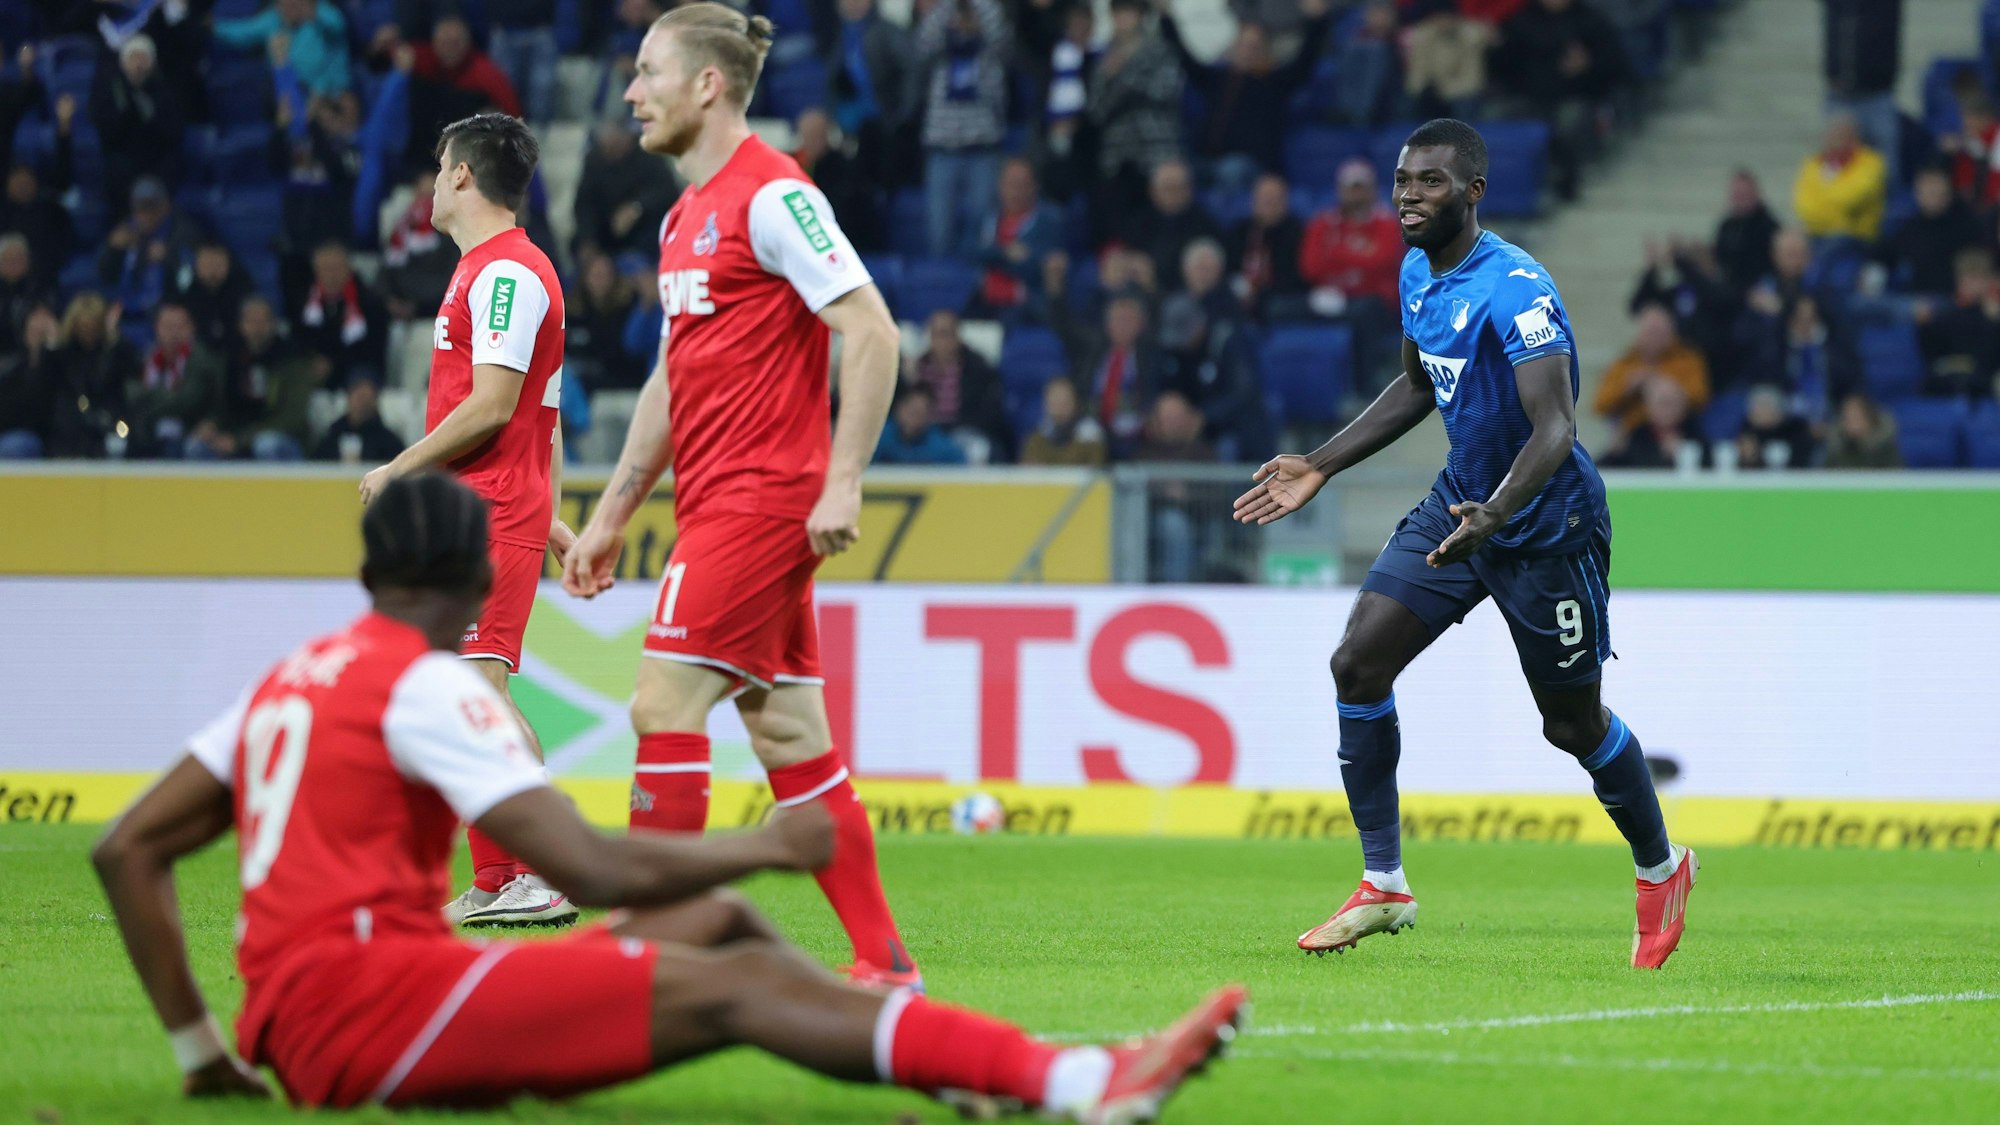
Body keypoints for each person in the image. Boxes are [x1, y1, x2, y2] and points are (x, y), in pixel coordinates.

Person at [90, 472, 1246, 1115]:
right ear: (482, 572)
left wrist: (203, 1052)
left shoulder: (293, 677)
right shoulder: (435, 687)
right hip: (380, 1012)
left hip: (314, 1011)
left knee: (721, 935)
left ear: (368, 573)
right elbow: (591, 871)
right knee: (733, 986)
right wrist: (769, 841)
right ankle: (1077, 1080)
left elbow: (125, 850)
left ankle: (943, 1067)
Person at [1232, 119, 1697, 968]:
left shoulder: (1518, 288)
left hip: (1546, 521)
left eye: (1431, 182)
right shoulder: (1416, 271)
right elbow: (1419, 385)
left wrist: (1499, 514)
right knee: (1357, 663)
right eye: (1404, 179)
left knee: (1570, 723)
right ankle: (1385, 883)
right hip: (1462, 504)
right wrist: (1321, 464)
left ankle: (1661, 867)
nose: (1410, 193)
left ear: (1474, 192)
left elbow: (1556, 425)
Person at [564, 3, 921, 990]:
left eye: (646, 72)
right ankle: (883, 961)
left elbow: (873, 331)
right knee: (787, 733)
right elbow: (668, 382)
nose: (630, 92)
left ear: (706, 85)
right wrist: (608, 515)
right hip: (718, 503)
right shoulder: (683, 216)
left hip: (763, 503)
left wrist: (843, 477)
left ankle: (651, 952)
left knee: (660, 703)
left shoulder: (773, 195)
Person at [358, 113, 578, 927]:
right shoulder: (495, 272)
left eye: (438, 164)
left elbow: (493, 406)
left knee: (477, 688)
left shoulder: (509, 274)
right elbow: (543, 415)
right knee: (462, 688)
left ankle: (540, 869)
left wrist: (398, 467)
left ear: (461, 176)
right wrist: (551, 520)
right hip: (487, 510)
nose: (430, 182)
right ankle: (498, 879)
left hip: (486, 509)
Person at [1155, 0, 1331, 183]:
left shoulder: (1276, 82)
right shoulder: (1217, 78)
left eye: (1254, 46)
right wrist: (1166, 16)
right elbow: (1185, 57)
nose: (1247, 51)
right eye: (1243, 44)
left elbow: (1307, 58)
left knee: (1231, 170)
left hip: (1249, 164)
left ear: (1264, 50)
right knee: (1172, 172)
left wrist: (1318, 19)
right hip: (1205, 158)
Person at [916, 0, 1011, 258]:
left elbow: (1002, 43)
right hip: (942, 144)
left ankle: (979, 289)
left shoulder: (989, 9)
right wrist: (951, 12)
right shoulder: (941, 11)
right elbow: (923, 46)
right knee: (939, 230)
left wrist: (974, 15)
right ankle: (944, 289)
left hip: (983, 144)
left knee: (982, 228)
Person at [969, 157, 1065, 322]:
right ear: (1000, 185)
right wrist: (1004, 253)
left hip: (1024, 304)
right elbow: (967, 250)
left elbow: (1041, 265)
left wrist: (990, 258)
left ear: (1034, 187)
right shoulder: (985, 217)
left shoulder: (1049, 221)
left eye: (1022, 184)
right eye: (1011, 183)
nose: (1015, 190)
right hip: (984, 299)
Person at [1592, 303, 1711, 437]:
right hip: (1633, 434)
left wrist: (1664, 386)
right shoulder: (1625, 363)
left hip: (1679, 431)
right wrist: (1628, 387)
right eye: (1651, 333)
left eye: (1661, 333)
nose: (1655, 339)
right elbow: (1600, 405)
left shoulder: (1687, 359)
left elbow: (1700, 396)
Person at [129, 301, 226, 459]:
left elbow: (185, 401)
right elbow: (131, 393)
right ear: (157, 329)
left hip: (193, 427)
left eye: (180, 326)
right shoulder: (149, 359)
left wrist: (148, 399)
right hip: (152, 429)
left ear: (191, 328)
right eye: (167, 327)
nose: (174, 333)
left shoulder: (201, 360)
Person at [913, 308, 1012, 458]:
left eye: (945, 334)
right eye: (935, 334)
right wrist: (908, 380)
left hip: (964, 433)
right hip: (923, 434)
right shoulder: (917, 368)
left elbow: (989, 412)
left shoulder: (979, 369)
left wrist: (954, 428)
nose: (940, 341)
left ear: (957, 337)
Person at [1792, 111, 1887, 242]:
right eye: (1833, 134)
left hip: (1856, 237)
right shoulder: (1812, 165)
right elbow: (1803, 205)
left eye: (1843, 135)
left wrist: (1823, 202)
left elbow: (1852, 199)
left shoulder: (1871, 162)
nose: (1837, 139)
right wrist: (1835, 216)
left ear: (1854, 137)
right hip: (1816, 234)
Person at [1228, 173, 1306, 319]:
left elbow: (1296, 277)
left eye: (1274, 198)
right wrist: (1237, 283)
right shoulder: (1240, 230)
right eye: (1264, 198)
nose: (1269, 203)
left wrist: (1258, 291)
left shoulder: (1297, 232)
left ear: (1285, 201)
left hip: (1279, 298)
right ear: (1253, 201)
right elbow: (1229, 265)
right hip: (1239, 296)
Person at [312, 377, 406, 462]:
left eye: (367, 398)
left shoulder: (388, 441)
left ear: (375, 401)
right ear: (349, 398)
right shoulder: (333, 434)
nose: (362, 404)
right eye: (359, 397)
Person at [1021, 375, 1108, 465]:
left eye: (1064, 401)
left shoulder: (1090, 436)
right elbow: (1028, 470)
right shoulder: (1037, 438)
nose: (1059, 407)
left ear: (1075, 402)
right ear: (1046, 404)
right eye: (1054, 401)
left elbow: (1094, 470)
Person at [873, 383, 968, 464]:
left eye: (919, 413)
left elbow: (961, 471)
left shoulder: (941, 447)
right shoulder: (878, 437)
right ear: (898, 408)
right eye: (911, 410)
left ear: (930, 416)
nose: (913, 418)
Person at [1823, 392, 1903, 468]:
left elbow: (1897, 478)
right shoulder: (1836, 451)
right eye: (1847, 418)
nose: (1852, 423)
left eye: (1856, 417)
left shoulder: (1887, 451)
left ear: (1869, 419)